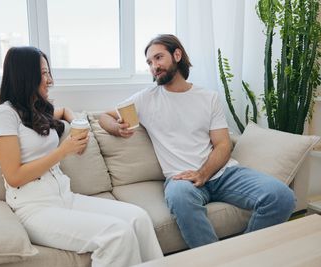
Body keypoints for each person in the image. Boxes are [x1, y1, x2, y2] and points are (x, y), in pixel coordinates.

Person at [99, 34, 296, 249]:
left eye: (158, 58)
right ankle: (215, 261)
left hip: (223, 173)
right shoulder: (146, 99)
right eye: (149, 62)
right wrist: (116, 128)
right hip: (181, 179)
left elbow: (223, 144)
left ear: (177, 54)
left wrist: (203, 173)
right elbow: (104, 116)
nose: (154, 66)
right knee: (180, 197)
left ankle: (244, 255)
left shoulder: (208, 97)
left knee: (281, 196)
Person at [0, 46, 163, 267]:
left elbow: (62, 111)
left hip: (64, 197)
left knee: (139, 218)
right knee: (117, 234)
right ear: (25, 75)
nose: (50, 80)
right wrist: (63, 151)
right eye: (43, 73)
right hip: (34, 208)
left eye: (48, 73)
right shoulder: (4, 115)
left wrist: (76, 122)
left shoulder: (34, 111)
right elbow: (14, 176)